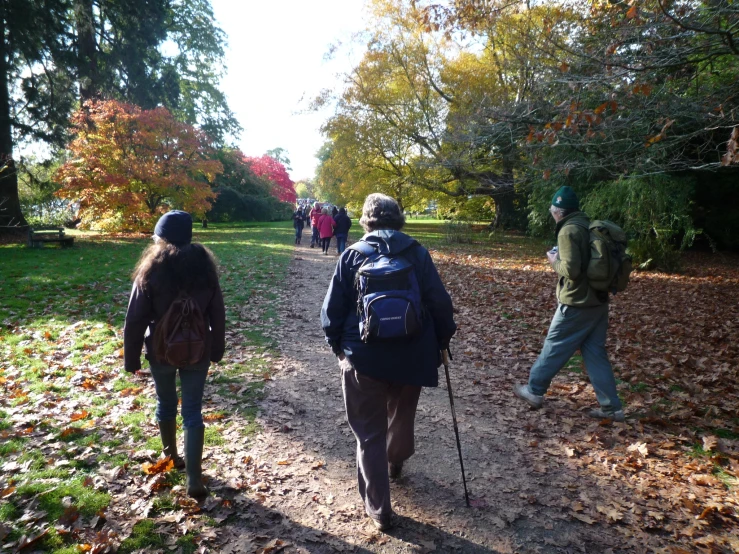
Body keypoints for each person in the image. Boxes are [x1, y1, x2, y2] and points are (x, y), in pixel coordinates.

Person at [321, 193, 457, 531]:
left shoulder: (352, 255)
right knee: (401, 415)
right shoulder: (417, 252)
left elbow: (330, 313)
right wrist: (442, 342)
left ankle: (379, 510)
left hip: (363, 357)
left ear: (366, 220)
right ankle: (395, 460)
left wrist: (338, 348)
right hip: (413, 353)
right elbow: (441, 303)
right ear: (399, 218)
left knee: (369, 434)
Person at [123, 210, 226, 498]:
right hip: (197, 350)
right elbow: (217, 313)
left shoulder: (151, 269)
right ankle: (194, 479)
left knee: (166, 403)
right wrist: (216, 350)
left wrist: (131, 359)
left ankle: (171, 458)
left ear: (161, 238)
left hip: (160, 352)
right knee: (192, 411)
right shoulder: (205, 268)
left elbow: (134, 319)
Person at [513, 186, 624, 421]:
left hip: (576, 303)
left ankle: (534, 391)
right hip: (597, 301)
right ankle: (612, 408)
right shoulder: (587, 224)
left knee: (554, 347)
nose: (552, 214)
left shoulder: (567, 231)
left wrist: (553, 260)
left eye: (552, 211)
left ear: (558, 212)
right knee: (595, 354)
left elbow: (571, 270)